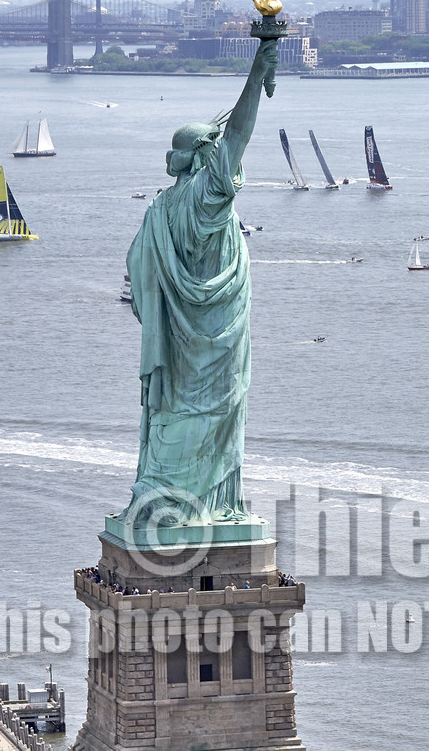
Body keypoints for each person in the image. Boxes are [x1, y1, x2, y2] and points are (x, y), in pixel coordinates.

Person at [124, 39, 279, 527]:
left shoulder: (161, 208)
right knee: (214, 410)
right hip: (217, 328)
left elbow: (138, 273)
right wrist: (260, 67)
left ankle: (169, 495)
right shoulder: (203, 199)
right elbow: (240, 133)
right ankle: (201, 504)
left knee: (178, 409)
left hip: (179, 335)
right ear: (205, 159)